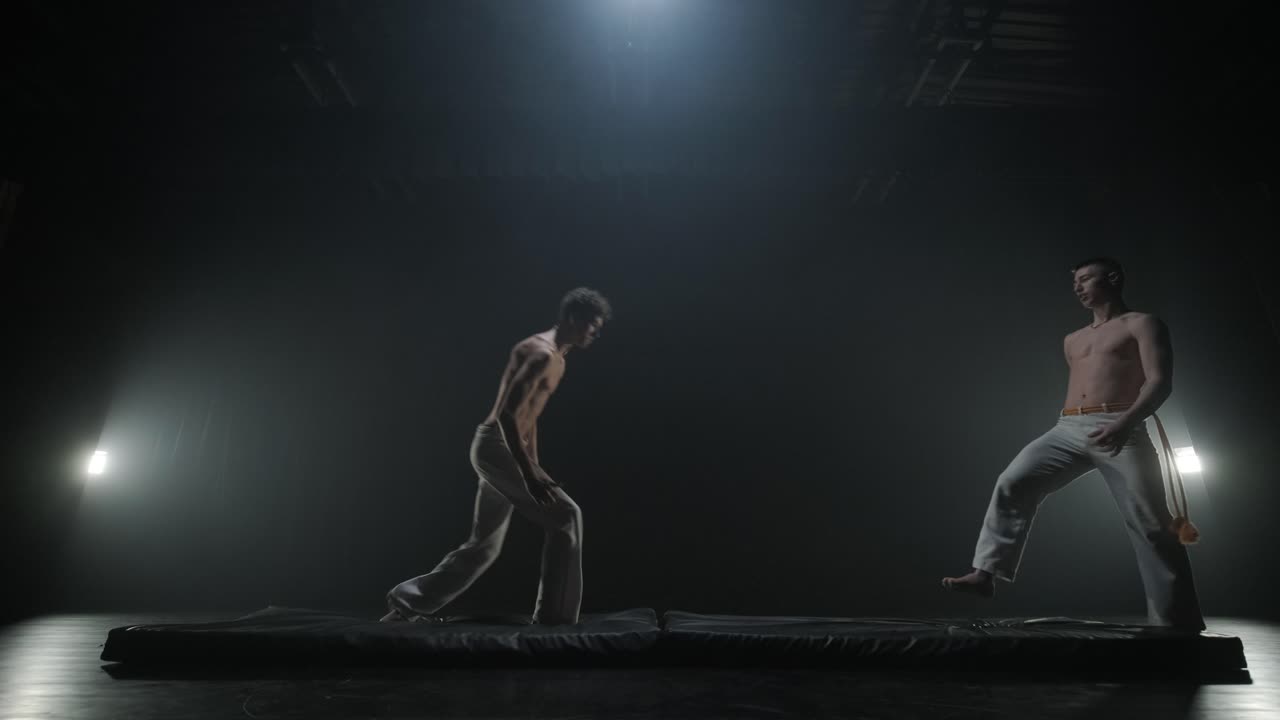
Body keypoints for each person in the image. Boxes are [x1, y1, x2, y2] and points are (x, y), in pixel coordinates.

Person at [941, 258, 1204, 630]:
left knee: (1150, 523)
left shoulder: (1142, 323)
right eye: (1074, 282)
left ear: (1112, 278)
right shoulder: (1073, 339)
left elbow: (1159, 382)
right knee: (1013, 482)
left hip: (1122, 426)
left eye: (1085, 279)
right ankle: (986, 574)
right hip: (1068, 427)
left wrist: (1125, 421)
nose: (1078, 287)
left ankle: (1177, 621)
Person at [382, 287, 611, 625]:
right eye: (592, 325)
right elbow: (507, 416)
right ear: (573, 319)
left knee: (484, 546)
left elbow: (528, 417)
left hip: (500, 447)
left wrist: (534, 464)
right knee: (566, 517)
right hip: (496, 444)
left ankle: (405, 607)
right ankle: (555, 622)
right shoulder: (543, 354)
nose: (595, 332)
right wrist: (529, 474)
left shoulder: (557, 356)